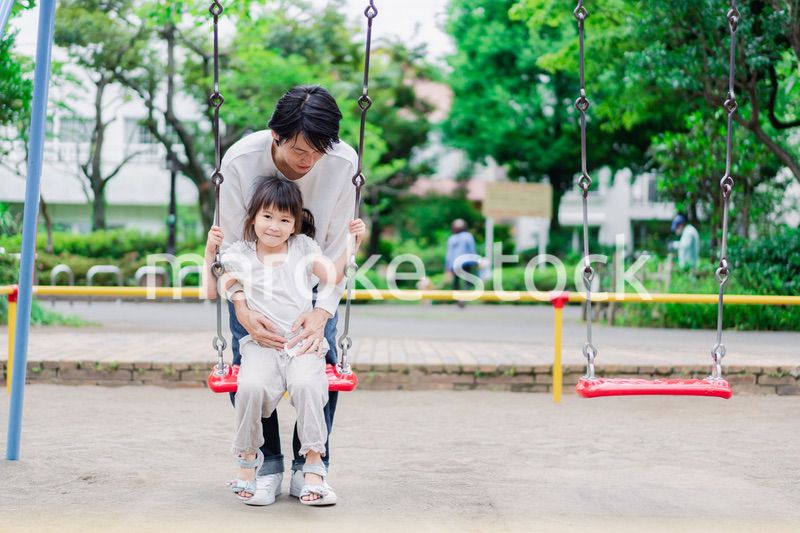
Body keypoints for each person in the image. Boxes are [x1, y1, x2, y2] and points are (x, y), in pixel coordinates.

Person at [218, 86, 359, 504]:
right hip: (254, 282)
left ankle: (309, 468)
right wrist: (240, 307)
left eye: (318, 151)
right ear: (275, 136)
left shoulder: (342, 162)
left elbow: (335, 249)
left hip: (313, 275)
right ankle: (266, 464)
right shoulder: (241, 161)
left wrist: (322, 312)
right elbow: (229, 246)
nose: (308, 160)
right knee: (251, 373)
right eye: (300, 149)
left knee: (316, 369)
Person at [444, 219, 478, 306]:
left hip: (454, 263)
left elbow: (449, 254)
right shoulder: (468, 236)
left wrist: (447, 267)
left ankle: (459, 298)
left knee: (456, 282)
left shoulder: (452, 238)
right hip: (466, 262)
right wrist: (476, 261)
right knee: (468, 281)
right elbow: (472, 249)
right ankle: (463, 298)